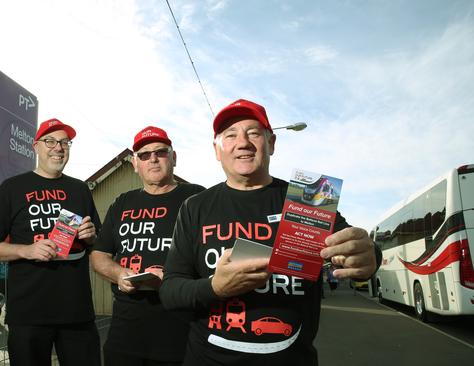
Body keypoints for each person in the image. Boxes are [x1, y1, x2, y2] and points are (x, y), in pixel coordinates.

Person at [160, 99, 382, 366]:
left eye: (253, 133)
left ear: (272, 143)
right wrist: (215, 288)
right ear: (217, 151)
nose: (243, 142)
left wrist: (370, 256)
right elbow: (170, 290)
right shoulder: (195, 207)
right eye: (230, 135)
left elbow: (357, 251)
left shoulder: (308, 199)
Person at [0, 118, 101, 366]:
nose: (59, 147)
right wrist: (27, 250)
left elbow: (97, 244)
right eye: (50, 141)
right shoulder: (12, 188)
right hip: (28, 314)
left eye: (65, 142)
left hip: (76, 313)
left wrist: (92, 236)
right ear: (36, 147)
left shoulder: (79, 189)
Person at [90, 126, 205, 366]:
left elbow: (214, 257)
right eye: (144, 154)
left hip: (181, 331)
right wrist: (119, 274)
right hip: (125, 334)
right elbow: (99, 255)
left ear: (173, 158)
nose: (152, 159)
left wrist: (174, 278)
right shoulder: (122, 202)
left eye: (160, 152)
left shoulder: (198, 198)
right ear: (135, 164)